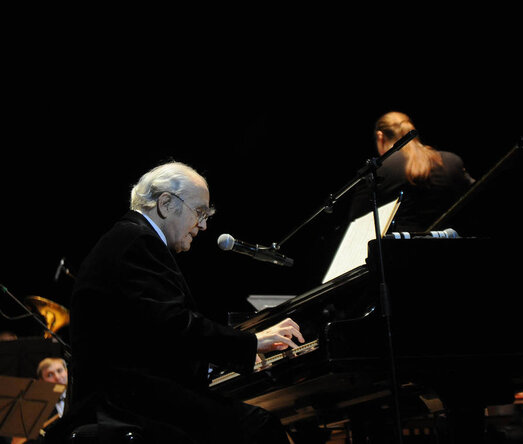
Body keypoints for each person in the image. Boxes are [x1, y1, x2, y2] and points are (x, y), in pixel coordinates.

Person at [44, 161, 304, 444]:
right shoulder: (137, 241)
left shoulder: (130, 237)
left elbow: (150, 337)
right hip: (126, 404)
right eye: (200, 212)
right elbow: (174, 325)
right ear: (166, 203)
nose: (204, 225)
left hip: (125, 394)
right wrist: (250, 342)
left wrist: (216, 362)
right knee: (261, 428)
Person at [348, 111, 476, 231]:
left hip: (399, 252)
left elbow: (357, 222)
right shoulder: (452, 161)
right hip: (450, 249)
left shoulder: (379, 170)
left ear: (380, 136)